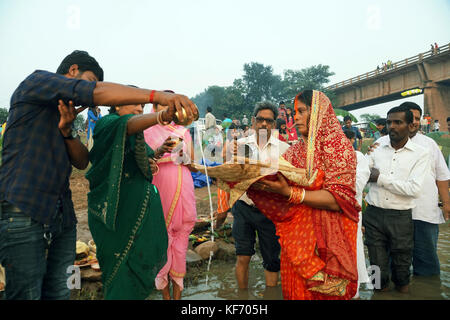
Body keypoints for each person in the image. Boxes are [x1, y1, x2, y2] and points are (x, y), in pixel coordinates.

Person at [0, 50, 102, 300]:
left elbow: (81, 161)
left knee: (59, 291)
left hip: (62, 217)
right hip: (23, 211)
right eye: (89, 82)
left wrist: (67, 131)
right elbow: (89, 93)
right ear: (73, 71)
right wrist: (157, 96)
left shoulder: (65, 115)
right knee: (26, 294)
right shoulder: (35, 83)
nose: (88, 96)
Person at [86, 84, 198, 300]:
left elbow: (145, 162)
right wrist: (162, 116)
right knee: (118, 269)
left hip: (141, 205)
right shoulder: (108, 124)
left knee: (138, 266)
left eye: (142, 104)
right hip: (116, 211)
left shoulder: (145, 133)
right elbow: (127, 125)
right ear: (116, 105)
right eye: (136, 103)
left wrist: (159, 153)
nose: (139, 108)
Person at [247, 90, 360, 300]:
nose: (294, 117)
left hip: (327, 241)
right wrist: (244, 175)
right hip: (298, 238)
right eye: (295, 112)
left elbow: (340, 200)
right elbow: (277, 180)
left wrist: (291, 193)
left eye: (301, 111)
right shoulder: (296, 150)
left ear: (318, 113)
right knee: (296, 292)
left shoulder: (338, 146)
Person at [370, 102, 450, 276]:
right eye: (409, 118)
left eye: (416, 118)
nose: (413, 122)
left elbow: (442, 177)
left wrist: (447, 204)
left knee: (426, 262)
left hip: (423, 212)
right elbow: (365, 173)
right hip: (389, 214)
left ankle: (427, 291)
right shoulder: (380, 144)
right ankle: (383, 289)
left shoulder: (429, 145)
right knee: (386, 264)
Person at [364, 105, 431, 293]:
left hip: (401, 218)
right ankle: (378, 294)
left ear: (410, 126)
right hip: (374, 214)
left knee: (402, 269)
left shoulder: (421, 153)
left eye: (397, 122)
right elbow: (362, 174)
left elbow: (414, 189)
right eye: (389, 122)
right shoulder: (376, 147)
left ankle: (402, 294)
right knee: (376, 267)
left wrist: (380, 178)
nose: (391, 126)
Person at [226, 101, 290, 292]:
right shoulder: (240, 145)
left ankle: (270, 295)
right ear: (253, 121)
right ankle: (243, 298)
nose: (264, 124)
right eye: (260, 120)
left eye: (269, 121)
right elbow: (232, 175)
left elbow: (288, 180)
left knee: (271, 259)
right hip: (244, 206)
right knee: (242, 256)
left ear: (274, 124)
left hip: (270, 211)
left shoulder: (284, 149)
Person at [144, 96, 197, 300]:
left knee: (180, 239)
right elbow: (144, 161)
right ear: (154, 108)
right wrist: (159, 153)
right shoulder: (146, 131)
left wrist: (182, 154)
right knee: (161, 238)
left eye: (171, 108)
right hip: (158, 182)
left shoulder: (182, 132)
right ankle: (166, 296)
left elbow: (191, 163)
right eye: (163, 106)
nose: (167, 111)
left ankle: (177, 298)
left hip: (181, 181)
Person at [343, 130, 370, 299]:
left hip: (351, 223)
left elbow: (355, 188)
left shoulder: (358, 157)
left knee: (353, 279)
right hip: (327, 224)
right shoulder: (325, 157)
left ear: (352, 140)